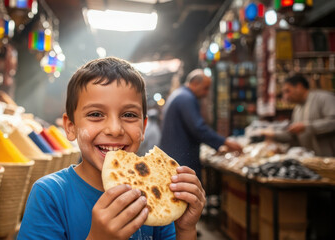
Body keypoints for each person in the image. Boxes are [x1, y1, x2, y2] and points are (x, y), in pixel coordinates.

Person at [18, 57, 206, 239]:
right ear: (71, 127)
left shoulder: (158, 197)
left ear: (143, 128)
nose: (115, 129)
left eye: (129, 115)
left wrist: (186, 229)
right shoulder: (50, 195)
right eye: (96, 114)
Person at [160, 69, 242, 180]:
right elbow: (198, 128)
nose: (206, 93)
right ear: (194, 83)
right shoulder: (186, 98)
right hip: (181, 159)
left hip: (174, 157)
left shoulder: (179, 94)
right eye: (205, 88)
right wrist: (225, 142)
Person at [262, 75, 335, 156]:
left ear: (299, 87)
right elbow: (294, 135)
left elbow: (333, 122)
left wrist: (307, 126)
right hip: (313, 160)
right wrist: (274, 134)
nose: (285, 96)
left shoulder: (324, 98)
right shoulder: (298, 108)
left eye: (287, 91)